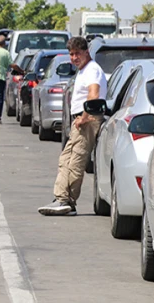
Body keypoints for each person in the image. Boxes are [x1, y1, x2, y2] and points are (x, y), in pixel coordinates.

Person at [38, 37, 107, 216]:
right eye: (71, 54)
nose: (74, 57)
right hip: (82, 119)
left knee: (75, 161)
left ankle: (67, 201)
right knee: (66, 159)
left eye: (77, 53)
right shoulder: (84, 70)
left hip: (88, 119)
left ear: (86, 52)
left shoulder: (93, 70)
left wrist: (84, 117)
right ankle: (61, 198)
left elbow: (94, 94)